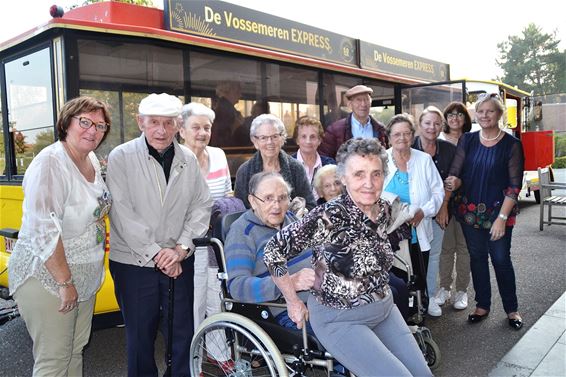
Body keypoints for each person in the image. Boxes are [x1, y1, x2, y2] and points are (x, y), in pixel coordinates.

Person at [264, 138, 432, 377]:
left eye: (376, 174)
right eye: (359, 174)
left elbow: (406, 217)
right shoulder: (328, 216)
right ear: (343, 178)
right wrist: (292, 300)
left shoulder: (383, 209)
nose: (369, 183)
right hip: (339, 319)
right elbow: (273, 251)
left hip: (383, 309)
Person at [106, 93, 213, 376]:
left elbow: (202, 204)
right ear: (140, 123)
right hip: (134, 263)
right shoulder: (121, 157)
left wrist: (180, 249)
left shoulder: (188, 158)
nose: (161, 130)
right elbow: (121, 213)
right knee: (140, 338)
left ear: (178, 126)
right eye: (154, 122)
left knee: (181, 333)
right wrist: (157, 253)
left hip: (179, 259)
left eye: (168, 123)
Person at [8, 96, 112, 376]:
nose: (93, 131)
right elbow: (44, 231)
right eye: (85, 122)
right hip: (50, 277)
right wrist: (65, 282)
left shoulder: (89, 157)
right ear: (67, 123)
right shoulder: (51, 164)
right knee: (53, 360)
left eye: (100, 126)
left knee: (74, 351)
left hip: (83, 275)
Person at [445, 93, 525, 330]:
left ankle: (512, 310)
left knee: (501, 260)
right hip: (469, 213)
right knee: (477, 259)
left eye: (489, 111)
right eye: (480, 111)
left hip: (498, 213)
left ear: (499, 114)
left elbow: (514, 186)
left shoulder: (511, 145)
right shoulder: (467, 140)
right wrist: (453, 183)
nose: (484, 115)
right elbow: (456, 172)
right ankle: (482, 305)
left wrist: (502, 218)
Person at [178, 102, 233, 365]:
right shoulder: (176, 159)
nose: (202, 132)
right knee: (194, 304)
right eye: (196, 127)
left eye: (206, 127)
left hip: (216, 244)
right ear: (182, 130)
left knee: (218, 299)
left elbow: (228, 194)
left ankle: (220, 354)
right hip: (189, 244)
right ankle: (195, 361)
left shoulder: (219, 155)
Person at [225, 172, 314, 329]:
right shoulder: (243, 232)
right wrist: (291, 283)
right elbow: (237, 286)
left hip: (323, 299)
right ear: (253, 201)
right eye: (268, 199)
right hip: (284, 310)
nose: (277, 206)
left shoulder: (291, 219)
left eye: (282, 198)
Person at [383, 114, 444, 313]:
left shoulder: (424, 160)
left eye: (406, 133)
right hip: (389, 234)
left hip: (418, 230)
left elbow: (438, 192)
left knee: (418, 273)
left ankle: (421, 309)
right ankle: (399, 316)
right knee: (396, 279)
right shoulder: (381, 160)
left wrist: (423, 211)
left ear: (412, 135)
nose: (402, 138)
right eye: (397, 134)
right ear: (389, 137)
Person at [412, 106, 456, 316]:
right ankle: (412, 299)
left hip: (439, 211)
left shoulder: (448, 150)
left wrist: (442, 207)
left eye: (437, 123)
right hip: (413, 214)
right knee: (412, 257)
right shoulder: (409, 146)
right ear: (419, 125)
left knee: (434, 255)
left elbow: (453, 180)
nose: (432, 127)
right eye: (427, 123)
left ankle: (429, 297)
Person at [434, 102, 473, 312]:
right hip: (443, 202)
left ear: (465, 118)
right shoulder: (438, 141)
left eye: (459, 114)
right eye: (450, 114)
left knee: (464, 248)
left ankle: (462, 290)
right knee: (446, 248)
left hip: (468, 201)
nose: (455, 118)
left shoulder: (472, 140)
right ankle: (444, 287)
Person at [234, 114, 316, 210]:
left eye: (274, 136)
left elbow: (311, 206)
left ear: (282, 138)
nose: (270, 142)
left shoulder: (296, 168)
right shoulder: (245, 171)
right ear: (255, 141)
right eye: (263, 138)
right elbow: (239, 210)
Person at [318, 85, 388, 159]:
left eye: (366, 99)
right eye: (358, 100)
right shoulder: (335, 130)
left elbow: (385, 156)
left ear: (371, 102)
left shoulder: (380, 129)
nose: (363, 104)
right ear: (350, 105)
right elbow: (325, 158)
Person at [291, 116, 336, 200]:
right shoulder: (287, 164)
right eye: (303, 136)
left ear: (319, 140)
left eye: (313, 137)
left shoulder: (330, 164)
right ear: (297, 140)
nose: (308, 141)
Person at [211, 81, 244, 147]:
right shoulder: (224, 112)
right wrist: (236, 127)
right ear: (227, 91)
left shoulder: (222, 109)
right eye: (237, 91)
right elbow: (221, 140)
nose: (240, 95)